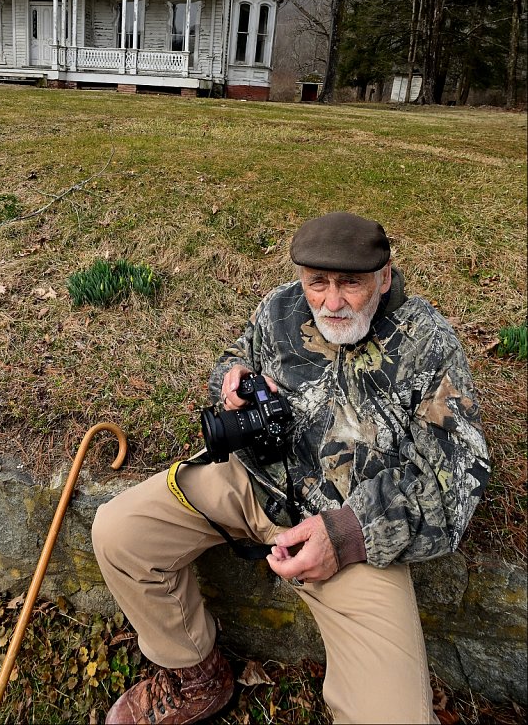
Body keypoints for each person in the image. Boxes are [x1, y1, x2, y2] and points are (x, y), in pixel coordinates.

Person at [92, 211, 490, 725]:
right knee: (120, 533)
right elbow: (235, 355)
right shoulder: (281, 307)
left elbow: (453, 482)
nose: (331, 301)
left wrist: (347, 534)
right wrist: (230, 380)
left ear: (385, 276)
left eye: (351, 283)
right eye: (317, 283)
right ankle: (195, 674)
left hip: (353, 535)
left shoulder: (428, 346)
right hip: (252, 482)